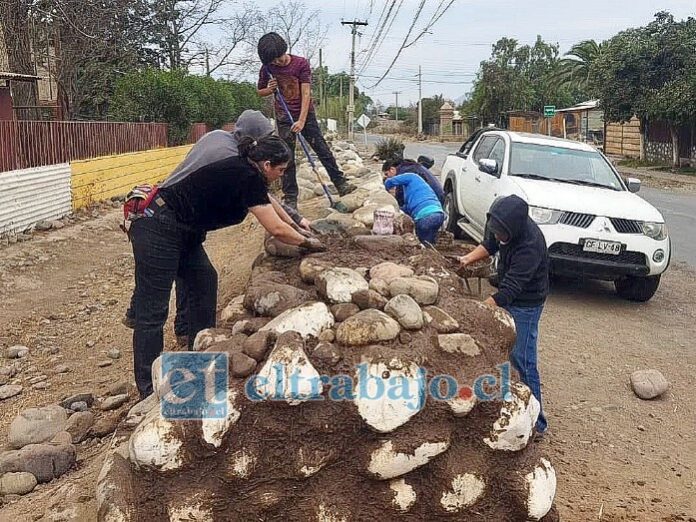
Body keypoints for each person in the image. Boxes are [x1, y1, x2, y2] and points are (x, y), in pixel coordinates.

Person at [129, 134, 323, 398]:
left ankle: (200, 356)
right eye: (280, 170)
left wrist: (300, 225)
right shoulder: (246, 176)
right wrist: (310, 244)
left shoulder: (248, 172)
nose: (281, 175)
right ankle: (149, 389)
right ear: (266, 165)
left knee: (204, 282)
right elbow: (276, 228)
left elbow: (275, 208)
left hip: (184, 231)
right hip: (157, 225)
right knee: (152, 310)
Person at [121, 110, 314, 345]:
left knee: (200, 278)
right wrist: (308, 242)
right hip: (159, 220)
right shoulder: (235, 163)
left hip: (182, 221)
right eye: (266, 139)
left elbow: (264, 198)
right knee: (153, 309)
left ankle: (195, 340)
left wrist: (296, 221)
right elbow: (273, 221)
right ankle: (148, 377)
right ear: (255, 142)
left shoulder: (221, 140)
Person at [459, 195, 550, 435]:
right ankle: (509, 404)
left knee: (523, 358)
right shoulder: (502, 225)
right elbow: (490, 244)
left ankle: (538, 423)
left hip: (526, 304)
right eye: (496, 230)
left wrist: (479, 310)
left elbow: (510, 290)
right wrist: (466, 259)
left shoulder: (530, 245)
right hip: (510, 294)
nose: (498, 236)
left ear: (515, 229)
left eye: (502, 234)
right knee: (501, 353)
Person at [256, 32, 356, 209]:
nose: (276, 63)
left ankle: (340, 183)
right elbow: (260, 91)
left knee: (322, 149)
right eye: (271, 61)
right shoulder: (267, 68)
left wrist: (301, 121)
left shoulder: (300, 64)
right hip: (283, 117)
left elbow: (306, 94)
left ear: (283, 50)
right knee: (287, 157)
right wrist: (269, 89)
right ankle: (291, 198)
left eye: (277, 59)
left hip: (305, 115)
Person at [383, 163, 445, 245]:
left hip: (424, 218)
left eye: (387, 174)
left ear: (392, 169)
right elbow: (406, 209)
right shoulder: (420, 187)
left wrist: (385, 188)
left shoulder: (411, 176)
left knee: (420, 244)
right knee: (429, 243)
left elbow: (390, 182)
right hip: (439, 214)